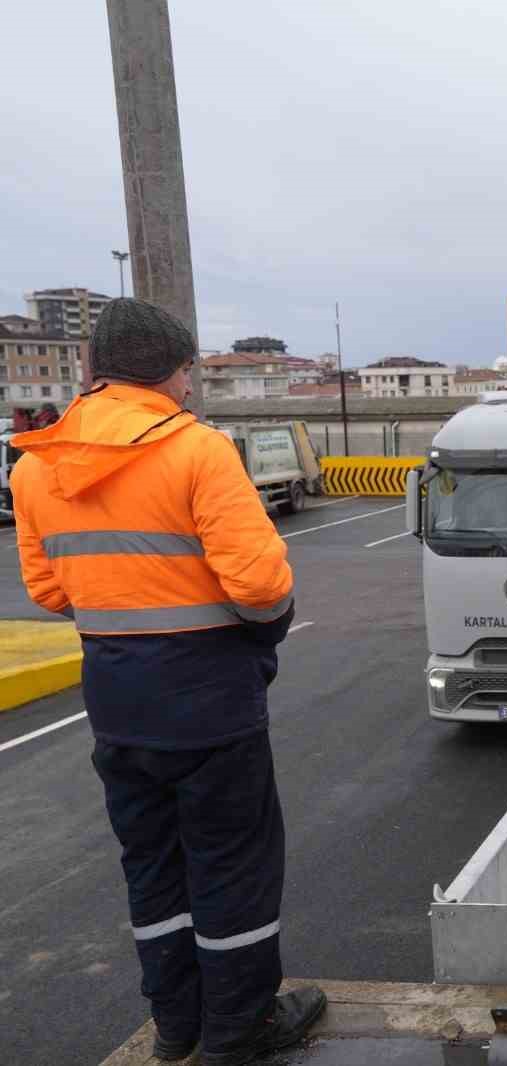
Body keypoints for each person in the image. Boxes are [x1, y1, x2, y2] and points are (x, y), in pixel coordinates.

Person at [12, 298, 324, 1065]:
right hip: (210, 704)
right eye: (189, 371)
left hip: (116, 705)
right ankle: (241, 1026)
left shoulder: (37, 462)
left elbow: (50, 593)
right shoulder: (198, 450)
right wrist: (268, 623)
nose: (190, 387)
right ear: (173, 370)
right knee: (232, 863)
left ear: (96, 370)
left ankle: (177, 1023)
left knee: (152, 866)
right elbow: (258, 586)